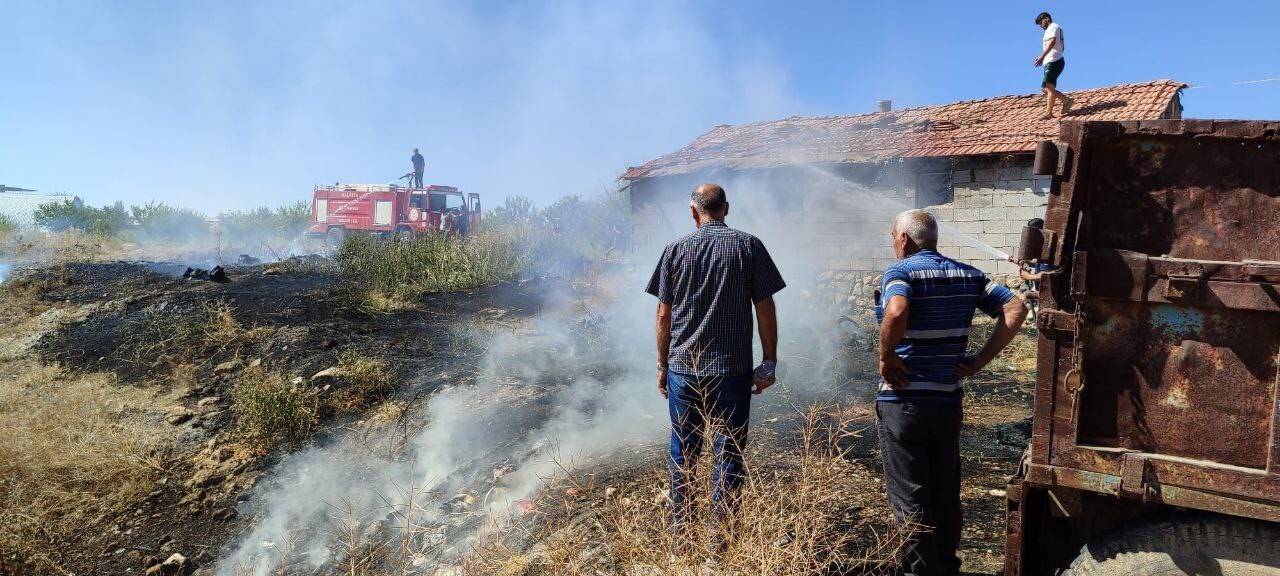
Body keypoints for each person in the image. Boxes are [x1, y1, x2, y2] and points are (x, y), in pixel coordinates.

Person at [876, 209, 1027, 575]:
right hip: (946, 400)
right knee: (945, 490)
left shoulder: (900, 272)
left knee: (910, 494)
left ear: (904, 239)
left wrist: (886, 355)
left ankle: (917, 571)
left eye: (893, 237)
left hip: (903, 401)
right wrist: (980, 361)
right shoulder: (968, 274)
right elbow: (1016, 306)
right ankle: (946, 566)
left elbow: (896, 310)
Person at [646, 183, 786, 554]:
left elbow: (663, 315)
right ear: (727, 208)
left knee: (683, 453)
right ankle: (720, 546)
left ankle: (682, 540)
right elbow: (765, 307)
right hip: (731, 371)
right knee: (728, 454)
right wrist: (768, 361)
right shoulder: (749, 246)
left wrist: (662, 365)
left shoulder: (675, 250)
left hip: (683, 371)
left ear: (694, 212)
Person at [1034, 12, 1072, 120]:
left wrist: (1042, 56)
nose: (1041, 26)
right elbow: (1061, 46)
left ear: (1046, 19)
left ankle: (1049, 113)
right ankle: (1066, 100)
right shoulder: (1051, 30)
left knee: (1049, 87)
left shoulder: (1053, 27)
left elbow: (1053, 41)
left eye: (1040, 23)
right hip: (1052, 60)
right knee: (1045, 88)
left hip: (1054, 60)